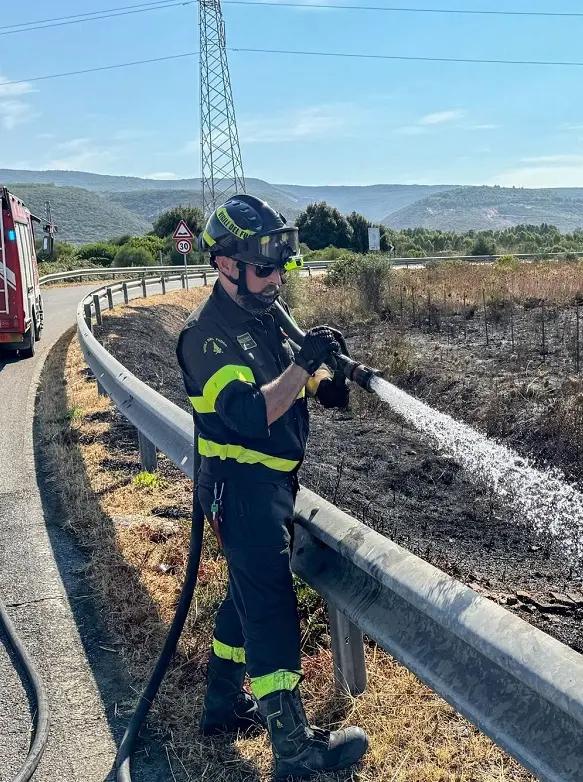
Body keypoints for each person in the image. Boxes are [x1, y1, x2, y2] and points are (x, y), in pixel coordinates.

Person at [176, 194, 368, 778]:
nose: (276, 278)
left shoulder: (261, 315)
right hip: (241, 491)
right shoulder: (205, 337)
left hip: (269, 486)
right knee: (270, 609)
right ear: (224, 264)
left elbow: (284, 377)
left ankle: (222, 706)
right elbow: (249, 412)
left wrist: (320, 383)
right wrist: (303, 366)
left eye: (280, 266)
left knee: (247, 596)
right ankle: (293, 751)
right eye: (264, 268)